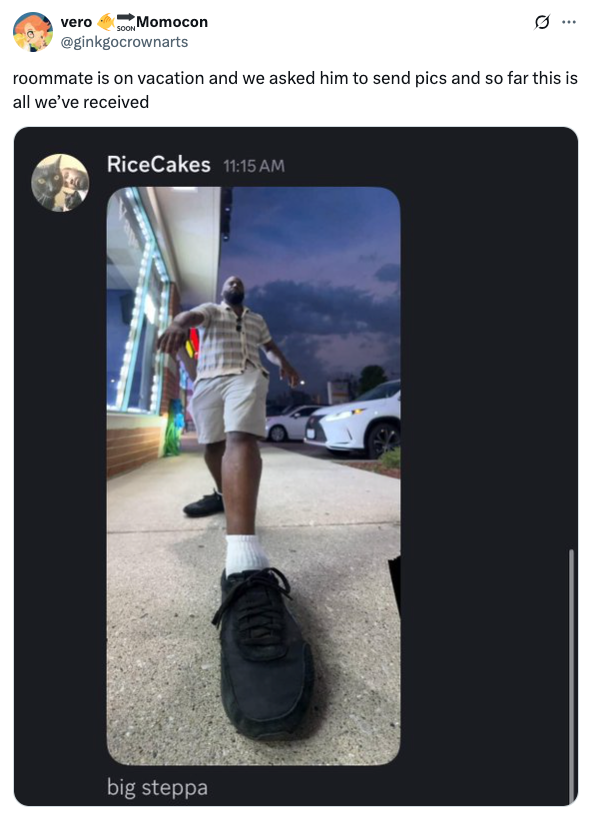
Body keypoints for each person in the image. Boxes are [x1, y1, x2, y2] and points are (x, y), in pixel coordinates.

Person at [157, 276, 314, 739]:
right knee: (213, 446)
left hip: (248, 376)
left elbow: (270, 346)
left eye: (239, 281)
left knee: (242, 438)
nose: (234, 282)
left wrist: (284, 363)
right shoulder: (211, 310)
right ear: (226, 292)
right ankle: (225, 496)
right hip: (208, 380)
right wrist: (175, 321)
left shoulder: (258, 319)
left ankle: (244, 564)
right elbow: (190, 319)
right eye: (229, 280)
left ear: (245, 293)